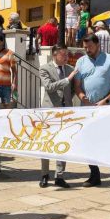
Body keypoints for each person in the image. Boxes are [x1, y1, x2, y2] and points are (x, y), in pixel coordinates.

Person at [73, 33, 110, 192]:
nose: (87, 50)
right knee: (88, 142)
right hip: (88, 109)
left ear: (98, 45)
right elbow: (77, 85)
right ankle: (94, 174)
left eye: (90, 47)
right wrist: (82, 96)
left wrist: (107, 100)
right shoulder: (81, 61)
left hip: (107, 108)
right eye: (85, 47)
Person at [38, 45, 76, 188]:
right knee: (46, 143)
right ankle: (44, 174)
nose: (66, 57)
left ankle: (60, 175)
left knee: (63, 142)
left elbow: (72, 89)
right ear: (55, 55)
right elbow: (49, 87)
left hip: (65, 112)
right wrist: (67, 80)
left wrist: (67, 101)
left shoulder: (70, 69)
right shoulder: (44, 68)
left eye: (67, 54)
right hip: (49, 112)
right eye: (63, 55)